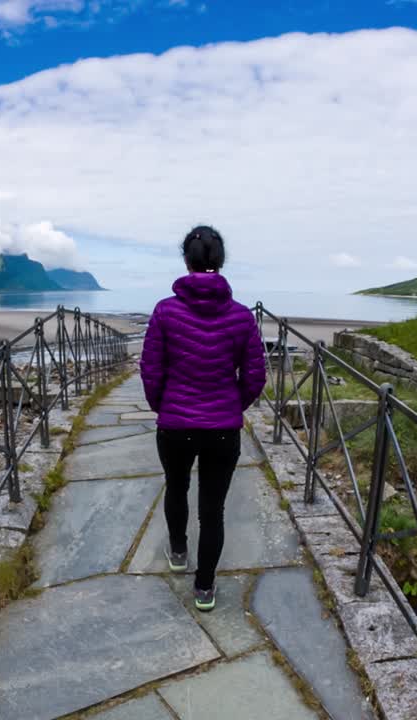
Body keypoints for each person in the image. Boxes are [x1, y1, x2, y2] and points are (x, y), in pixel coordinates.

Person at [139, 225, 266, 612]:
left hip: (174, 426)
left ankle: (178, 553)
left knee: (175, 488)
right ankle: (205, 588)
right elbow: (255, 376)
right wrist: (232, 405)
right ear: (221, 260)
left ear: (186, 260)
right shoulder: (242, 317)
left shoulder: (165, 311)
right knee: (213, 509)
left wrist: (163, 406)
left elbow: (151, 370)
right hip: (223, 430)